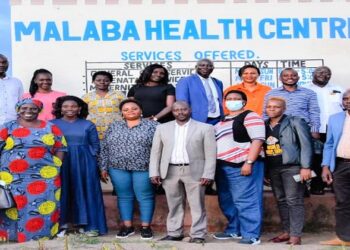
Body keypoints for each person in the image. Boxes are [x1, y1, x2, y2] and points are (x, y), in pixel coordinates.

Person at [149, 101, 216, 244]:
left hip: (195, 170)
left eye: (184, 109)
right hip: (170, 170)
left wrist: (208, 174)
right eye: (176, 110)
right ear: (172, 112)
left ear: (189, 110)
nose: (180, 112)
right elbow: (156, 152)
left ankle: (198, 234)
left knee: (197, 204)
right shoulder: (162, 128)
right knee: (174, 203)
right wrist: (154, 172)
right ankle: (174, 233)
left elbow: (210, 153)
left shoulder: (205, 128)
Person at [0, 98, 66, 242]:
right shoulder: (8, 127)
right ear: (18, 110)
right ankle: (12, 236)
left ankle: (41, 236)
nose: (28, 112)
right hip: (12, 175)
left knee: (44, 203)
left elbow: (61, 147)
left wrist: (57, 164)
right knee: (13, 205)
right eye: (24, 108)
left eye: (33, 109)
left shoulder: (50, 127)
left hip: (45, 174)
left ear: (39, 110)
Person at [99, 99, 158, 240]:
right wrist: (103, 167)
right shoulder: (114, 126)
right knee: (124, 196)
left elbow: (160, 148)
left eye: (134, 108)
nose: (130, 111)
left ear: (141, 110)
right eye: (126, 110)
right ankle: (127, 226)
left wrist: (157, 169)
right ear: (122, 113)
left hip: (143, 167)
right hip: (117, 167)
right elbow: (104, 147)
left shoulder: (153, 126)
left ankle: (146, 227)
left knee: (145, 196)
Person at [213, 90, 265, 245]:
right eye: (229, 99)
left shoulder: (251, 116)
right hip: (223, 166)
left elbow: (258, 140)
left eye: (237, 99)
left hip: (242, 165)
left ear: (243, 102)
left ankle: (251, 234)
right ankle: (234, 229)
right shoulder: (221, 121)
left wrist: (249, 162)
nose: (232, 101)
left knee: (246, 200)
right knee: (227, 200)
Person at [51, 96, 107, 237]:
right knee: (62, 191)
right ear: (60, 109)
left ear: (79, 108)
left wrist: (93, 164)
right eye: (65, 106)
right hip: (60, 160)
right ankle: (61, 225)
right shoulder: (51, 124)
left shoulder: (88, 124)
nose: (69, 109)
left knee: (86, 190)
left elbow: (95, 147)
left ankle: (88, 225)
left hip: (84, 162)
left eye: (73, 106)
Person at [264, 97, 313, 245]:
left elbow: (306, 144)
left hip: (292, 167)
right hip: (273, 168)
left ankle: (295, 235)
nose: (272, 109)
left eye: (276, 107)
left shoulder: (295, 121)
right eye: (269, 107)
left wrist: (306, 167)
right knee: (281, 200)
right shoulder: (264, 124)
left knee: (294, 200)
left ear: (284, 109)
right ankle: (287, 232)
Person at [305, 66, 344, 195]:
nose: (324, 74)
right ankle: (317, 186)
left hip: (336, 129)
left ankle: (335, 184)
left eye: (327, 73)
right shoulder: (305, 89)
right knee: (316, 158)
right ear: (313, 74)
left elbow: (344, 107)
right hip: (315, 129)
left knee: (336, 157)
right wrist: (311, 127)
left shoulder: (338, 89)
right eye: (320, 72)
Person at [320, 90, 350, 246]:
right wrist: (325, 166)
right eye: (345, 99)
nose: (348, 101)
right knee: (342, 201)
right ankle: (345, 238)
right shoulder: (335, 118)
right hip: (341, 165)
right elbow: (329, 144)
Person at [263, 68, 320, 139]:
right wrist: (266, 129)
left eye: (294, 75)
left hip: (303, 129)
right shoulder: (271, 93)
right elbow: (265, 113)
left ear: (298, 78)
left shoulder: (309, 93)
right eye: (285, 75)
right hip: (278, 129)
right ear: (280, 78)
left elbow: (314, 112)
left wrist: (314, 129)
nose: (290, 77)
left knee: (305, 149)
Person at [176, 59, 224, 125]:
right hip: (197, 120)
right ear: (196, 67)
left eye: (209, 66)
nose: (205, 67)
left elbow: (219, 101)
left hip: (218, 119)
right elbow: (182, 103)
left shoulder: (218, 82)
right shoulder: (185, 81)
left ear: (213, 68)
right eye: (202, 65)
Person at [82, 71, 125, 140]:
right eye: (98, 80)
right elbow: (82, 113)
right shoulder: (86, 97)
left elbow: (127, 109)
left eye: (106, 80)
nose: (102, 82)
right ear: (93, 81)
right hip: (94, 129)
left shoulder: (119, 95)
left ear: (110, 82)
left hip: (116, 128)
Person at [0, 54, 24, 125]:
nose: (1, 65)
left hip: (13, 123)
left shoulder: (16, 82)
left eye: (4, 62)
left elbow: (21, 102)